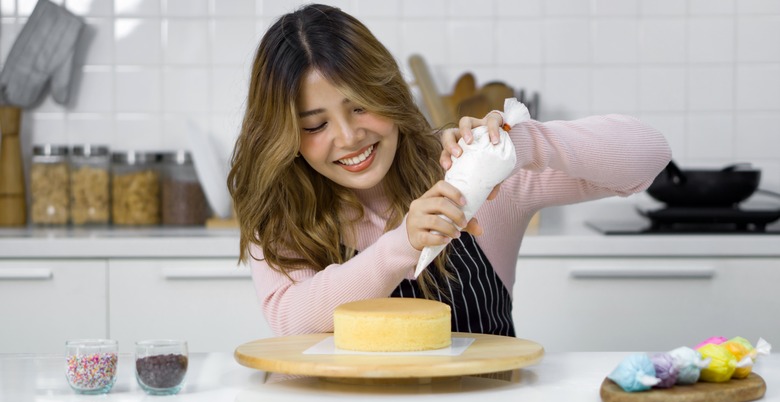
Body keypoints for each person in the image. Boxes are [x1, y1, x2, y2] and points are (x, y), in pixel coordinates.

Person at [228, 4, 671, 338]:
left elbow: (650, 153)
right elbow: (291, 320)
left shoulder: (468, 175)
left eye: (360, 106)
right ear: (285, 134)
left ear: (389, 92)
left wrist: (518, 145)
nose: (347, 137)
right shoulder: (283, 206)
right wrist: (402, 244)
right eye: (315, 125)